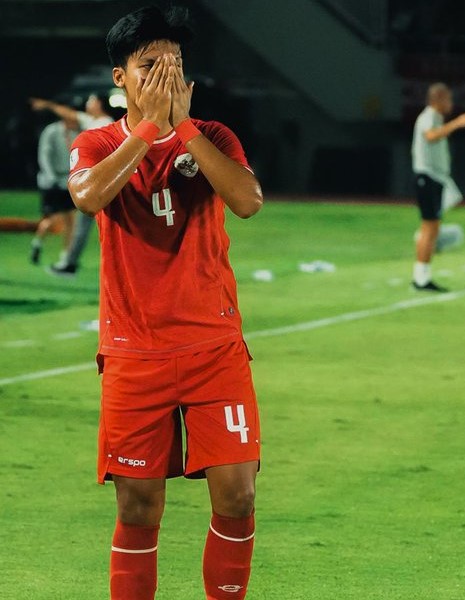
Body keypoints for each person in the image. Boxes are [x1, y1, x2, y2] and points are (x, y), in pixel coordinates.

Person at [66, 5, 263, 599]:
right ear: (120, 79)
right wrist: (148, 128)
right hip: (135, 353)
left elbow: (248, 201)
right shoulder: (95, 141)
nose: (163, 78)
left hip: (214, 346)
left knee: (238, 492)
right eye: (149, 66)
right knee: (139, 504)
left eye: (174, 66)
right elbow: (89, 197)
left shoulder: (214, 138)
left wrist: (183, 130)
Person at [30, 92, 115, 276]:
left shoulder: (104, 124)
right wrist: (47, 104)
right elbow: (69, 114)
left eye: (91, 100)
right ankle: (69, 262)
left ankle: (70, 263)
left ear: (99, 104)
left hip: (104, 184)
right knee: (83, 224)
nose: (88, 103)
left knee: (103, 227)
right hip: (95, 183)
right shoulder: (92, 122)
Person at [410, 82, 465, 292]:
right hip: (427, 177)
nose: (451, 104)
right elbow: (431, 136)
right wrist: (456, 124)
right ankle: (420, 278)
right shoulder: (429, 116)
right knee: (429, 227)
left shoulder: (433, 118)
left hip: (433, 178)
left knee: (433, 227)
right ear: (438, 99)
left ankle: (422, 275)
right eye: (448, 99)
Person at [29, 116, 81, 266]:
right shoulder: (51, 131)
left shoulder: (76, 133)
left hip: (67, 180)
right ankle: (38, 243)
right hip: (52, 181)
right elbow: (44, 154)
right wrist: (50, 176)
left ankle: (65, 256)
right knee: (51, 219)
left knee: (71, 220)